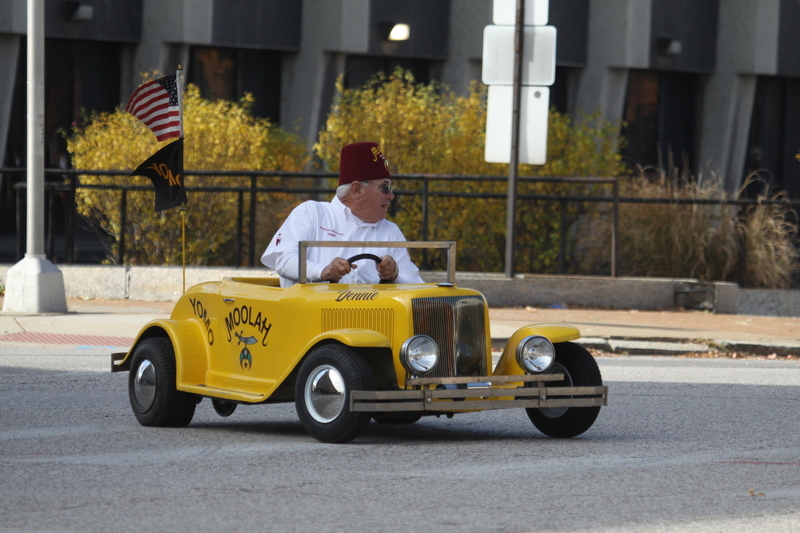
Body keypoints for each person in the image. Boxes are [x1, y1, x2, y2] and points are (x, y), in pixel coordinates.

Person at [261, 141, 424, 287]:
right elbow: (281, 258)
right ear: (357, 189)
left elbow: (415, 286)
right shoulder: (311, 213)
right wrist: (322, 271)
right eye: (385, 187)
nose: (391, 196)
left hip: (368, 319)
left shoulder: (391, 231)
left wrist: (394, 276)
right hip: (307, 316)